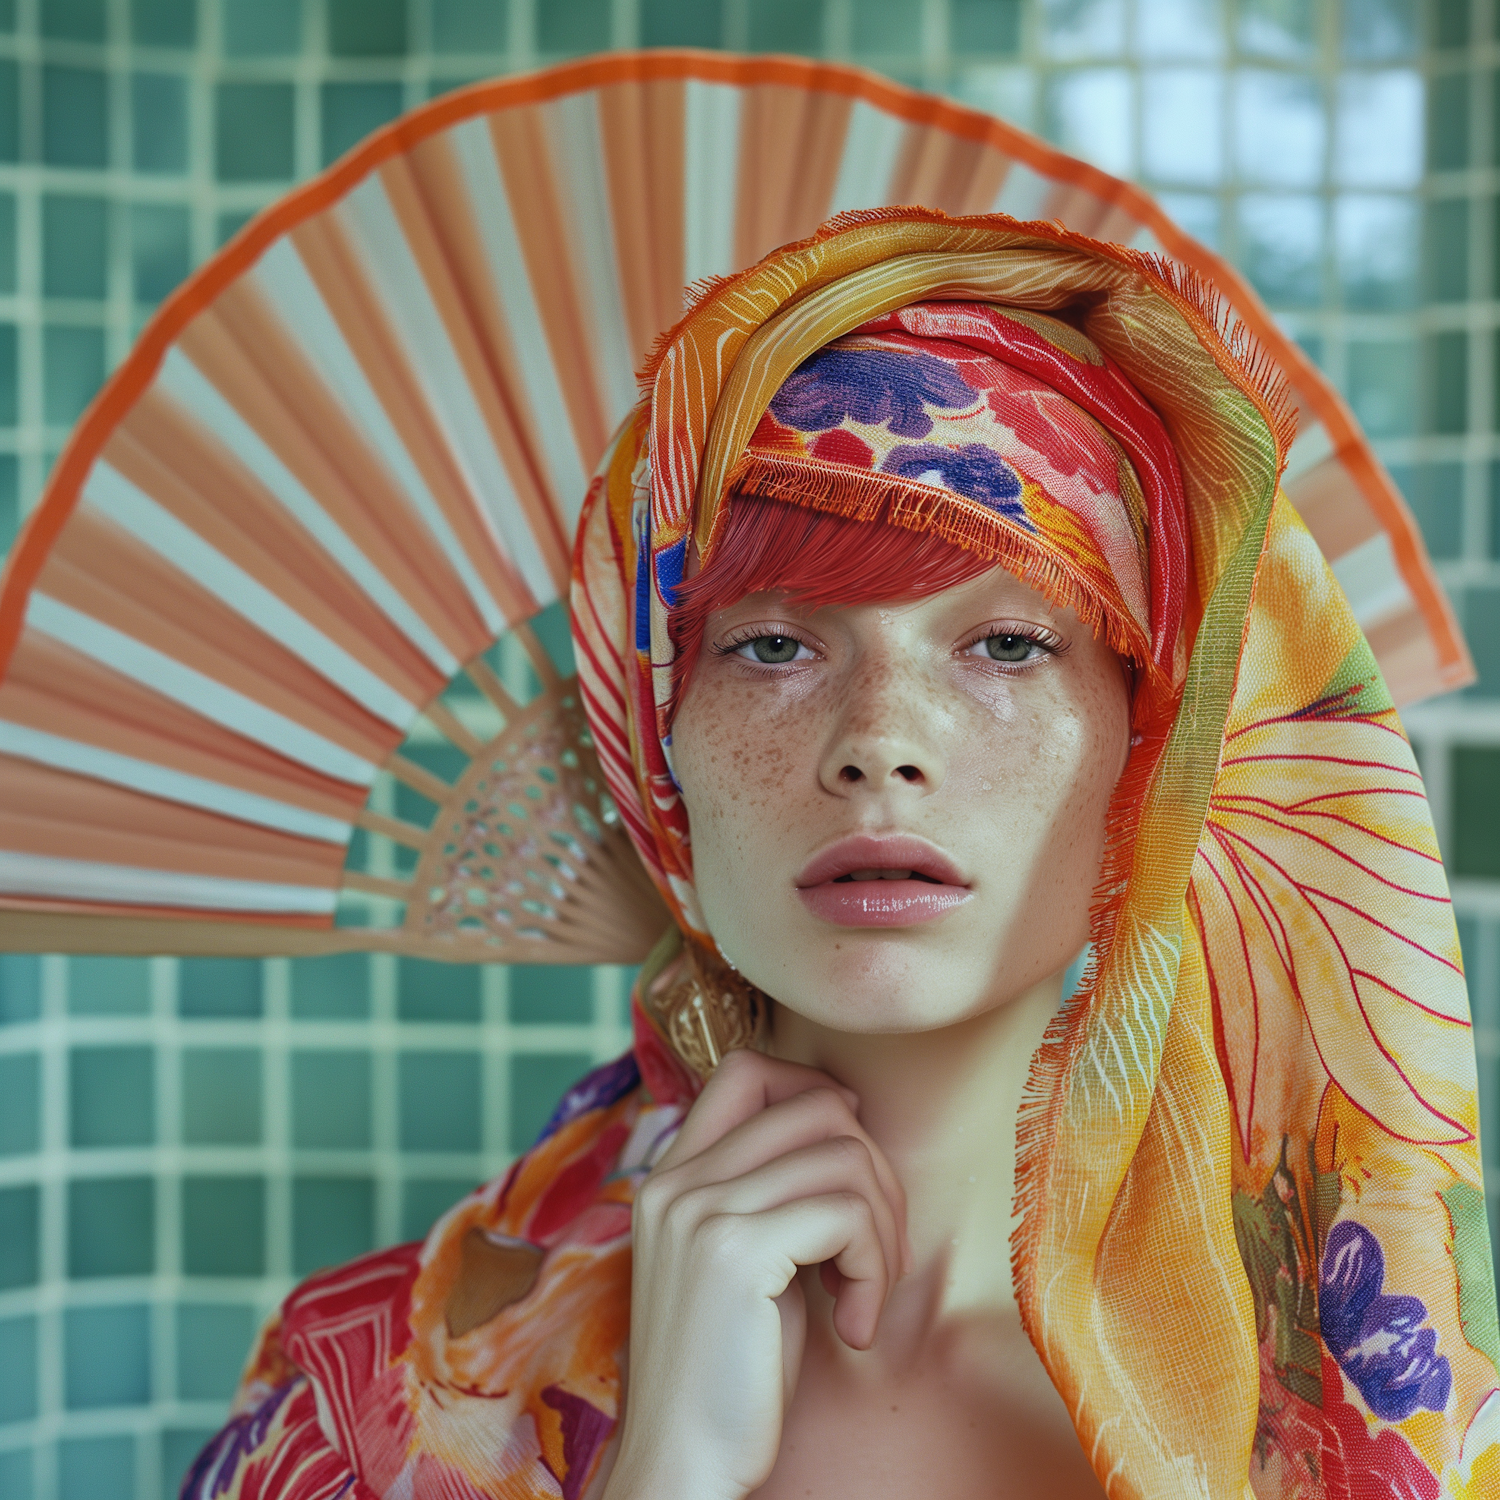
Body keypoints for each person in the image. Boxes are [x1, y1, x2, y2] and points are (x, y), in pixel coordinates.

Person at [182, 210, 1499, 1500]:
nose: (878, 744)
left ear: (1152, 749)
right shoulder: (360, 1394)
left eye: (1007, 646)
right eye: (773, 646)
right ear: (656, 743)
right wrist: (663, 1476)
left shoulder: (1365, 1396)